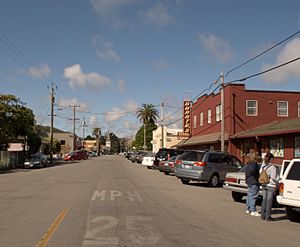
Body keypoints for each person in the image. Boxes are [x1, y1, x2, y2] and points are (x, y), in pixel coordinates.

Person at [260, 152, 279, 221]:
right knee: (269, 201)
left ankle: (262, 215)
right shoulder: (272, 167)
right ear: (271, 159)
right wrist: (278, 180)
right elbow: (274, 177)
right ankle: (268, 216)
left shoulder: (263, 166)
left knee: (264, 200)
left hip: (264, 184)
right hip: (271, 185)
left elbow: (260, 173)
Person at [245, 151, 261, 216]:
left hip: (249, 181)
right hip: (254, 181)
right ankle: (253, 210)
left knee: (249, 195)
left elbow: (247, 172)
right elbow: (253, 171)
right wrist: (257, 177)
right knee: (253, 196)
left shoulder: (248, 164)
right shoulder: (254, 164)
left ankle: (248, 208)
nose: (258, 157)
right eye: (257, 156)